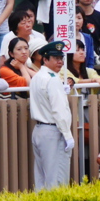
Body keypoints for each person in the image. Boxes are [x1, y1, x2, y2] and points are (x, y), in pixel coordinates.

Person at [29, 41, 74, 187]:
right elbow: (59, 111)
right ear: (45, 59)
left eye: (61, 58)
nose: (60, 61)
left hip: (40, 130)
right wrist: (67, 135)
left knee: (42, 178)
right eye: (55, 58)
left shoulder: (37, 77)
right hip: (53, 130)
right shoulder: (53, 79)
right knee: (57, 180)